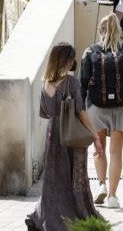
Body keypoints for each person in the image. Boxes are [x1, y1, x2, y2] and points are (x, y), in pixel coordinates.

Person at [25, 42, 103, 231]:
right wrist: (95, 136)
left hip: (53, 136)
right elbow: (81, 112)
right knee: (75, 177)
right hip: (72, 136)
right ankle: (76, 216)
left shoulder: (45, 84)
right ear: (66, 61)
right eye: (71, 59)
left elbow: (44, 112)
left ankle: (42, 215)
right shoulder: (72, 83)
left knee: (53, 178)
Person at [81, 14, 123, 210]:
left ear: (100, 31)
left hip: (96, 108)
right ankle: (113, 196)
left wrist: (81, 111)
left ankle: (101, 185)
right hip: (121, 108)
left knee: (98, 149)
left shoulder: (90, 52)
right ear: (120, 31)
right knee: (116, 153)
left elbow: (83, 82)